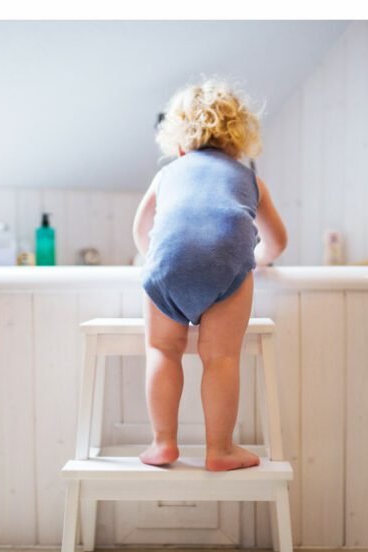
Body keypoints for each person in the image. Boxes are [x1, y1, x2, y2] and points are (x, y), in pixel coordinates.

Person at [131, 79, 289, 471]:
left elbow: (140, 230)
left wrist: (157, 259)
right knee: (220, 358)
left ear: (179, 142)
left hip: (166, 267)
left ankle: (162, 443)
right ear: (238, 142)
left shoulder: (168, 174)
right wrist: (259, 260)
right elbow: (277, 242)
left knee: (163, 351)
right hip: (226, 267)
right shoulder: (250, 180)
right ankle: (220, 449)